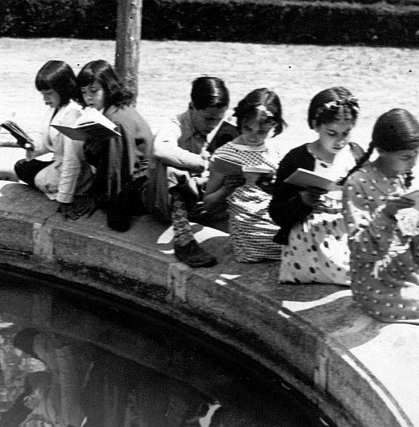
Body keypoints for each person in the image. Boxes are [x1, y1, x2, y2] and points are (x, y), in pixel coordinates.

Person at [341, 108, 419, 345]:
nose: (413, 162)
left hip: (407, 273)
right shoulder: (358, 183)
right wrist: (387, 214)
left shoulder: (404, 179)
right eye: (406, 157)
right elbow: (360, 250)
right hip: (375, 283)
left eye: (416, 154)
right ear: (381, 150)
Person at [270, 87, 363, 285]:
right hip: (309, 237)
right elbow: (276, 211)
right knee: (352, 273)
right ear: (315, 125)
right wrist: (303, 200)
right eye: (332, 133)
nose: (340, 140)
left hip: (346, 228)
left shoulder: (354, 154)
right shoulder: (297, 158)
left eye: (346, 133)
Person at [148, 76, 231, 268]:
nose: (212, 125)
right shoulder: (174, 125)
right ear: (191, 107)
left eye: (218, 119)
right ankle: (183, 240)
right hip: (162, 199)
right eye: (208, 119)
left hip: (198, 198)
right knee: (171, 167)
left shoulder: (218, 129)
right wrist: (204, 163)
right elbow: (160, 150)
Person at [204, 89, 286, 263]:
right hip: (249, 229)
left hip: (273, 216)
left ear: (274, 126)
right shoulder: (224, 155)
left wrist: (275, 186)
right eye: (248, 129)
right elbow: (208, 203)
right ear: (240, 122)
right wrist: (227, 189)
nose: (253, 137)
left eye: (261, 132)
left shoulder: (276, 150)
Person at [77, 60, 153, 232]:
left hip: (138, 192)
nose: (88, 97)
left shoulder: (117, 119)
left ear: (108, 88)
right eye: (84, 92)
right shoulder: (112, 110)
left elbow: (118, 170)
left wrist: (117, 217)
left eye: (94, 91)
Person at [14, 60, 93, 212]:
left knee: (23, 168)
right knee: (22, 165)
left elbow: (72, 160)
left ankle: (67, 189)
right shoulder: (56, 108)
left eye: (48, 94)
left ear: (63, 89)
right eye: (43, 94)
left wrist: (65, 199)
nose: (45, 99)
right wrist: (30, 144)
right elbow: (49, 142)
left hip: (74, 173)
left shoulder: (73, 115)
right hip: (59, 164)